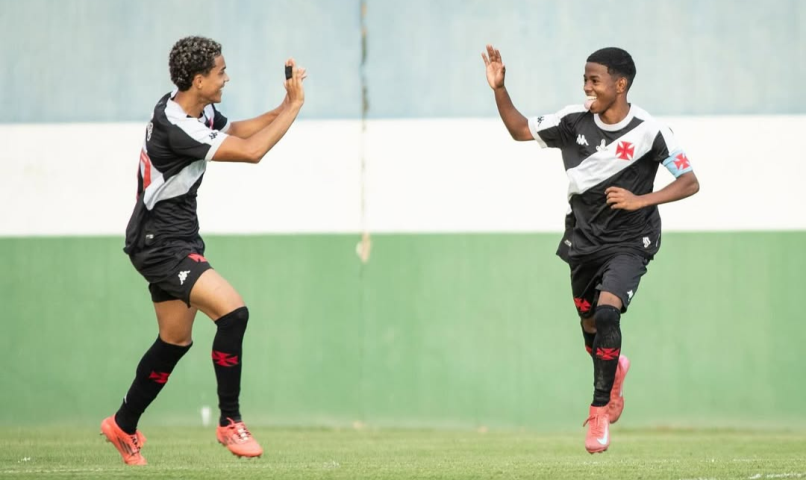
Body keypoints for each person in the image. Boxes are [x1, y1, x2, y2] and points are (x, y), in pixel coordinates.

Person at [482, 45, 699, 454]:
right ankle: (614, 370)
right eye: (584, 79)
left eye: (594, 80)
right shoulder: (572, 121)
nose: (587, 86)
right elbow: (519, 129)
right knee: (590, 326)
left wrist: (640, 200)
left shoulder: (651, 131)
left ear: (621, 84)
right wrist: (499, 89)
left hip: (631, 241)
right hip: (583, 241)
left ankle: (599, 412)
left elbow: (689, 182)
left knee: (607, 312)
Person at [100, 36, 307, 465]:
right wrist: (296, 108)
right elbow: (252, 151)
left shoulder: (197, 111)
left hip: (177, 239)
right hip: (159, 243)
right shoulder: (177, 127)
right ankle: (230, 421)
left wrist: (284, 105)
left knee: (174, 340)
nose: (226, 77)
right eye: (220, 72)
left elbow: (239, 131)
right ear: (198, 80)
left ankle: (123, 423)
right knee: (233, 313)